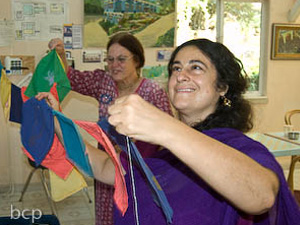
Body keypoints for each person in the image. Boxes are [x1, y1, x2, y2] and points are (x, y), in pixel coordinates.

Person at [40, 38, 300, 224]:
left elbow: (262, 196)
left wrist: (164, 127)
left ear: (223, 87)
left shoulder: (236, 146)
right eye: (176, 68)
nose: (181, 75)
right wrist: (58, 120)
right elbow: (104, 168)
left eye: (196, 67)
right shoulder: (159, 151)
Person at [48, 32, 173, 225]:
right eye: (111, 59)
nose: (115, 65)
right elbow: (70, 78)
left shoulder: (152, 92)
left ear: (137, 61)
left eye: (122, 59)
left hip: (139, 171)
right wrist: (61, 55)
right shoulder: (103, 82)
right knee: (107, 215)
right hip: (105, 166)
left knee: (135, 215)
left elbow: (168, 137)